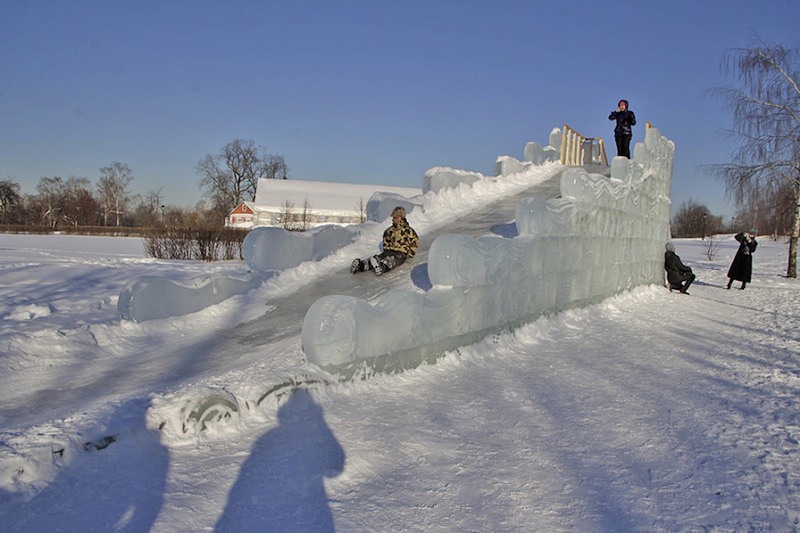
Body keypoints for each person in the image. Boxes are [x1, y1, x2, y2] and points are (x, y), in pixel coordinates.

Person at [351, 206, 419, 276]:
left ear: (401, 217)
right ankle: (362, 265)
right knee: (379, 258)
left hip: (401, 253)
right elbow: (385, 241)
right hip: (389, 251)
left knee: (392, 260)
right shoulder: (389, 230)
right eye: (393, 217)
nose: (393, 219)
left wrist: (410, 255)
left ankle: (382, 267)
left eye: (396, 217)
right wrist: (387, 249)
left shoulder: (408, 230)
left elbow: (415, 241)